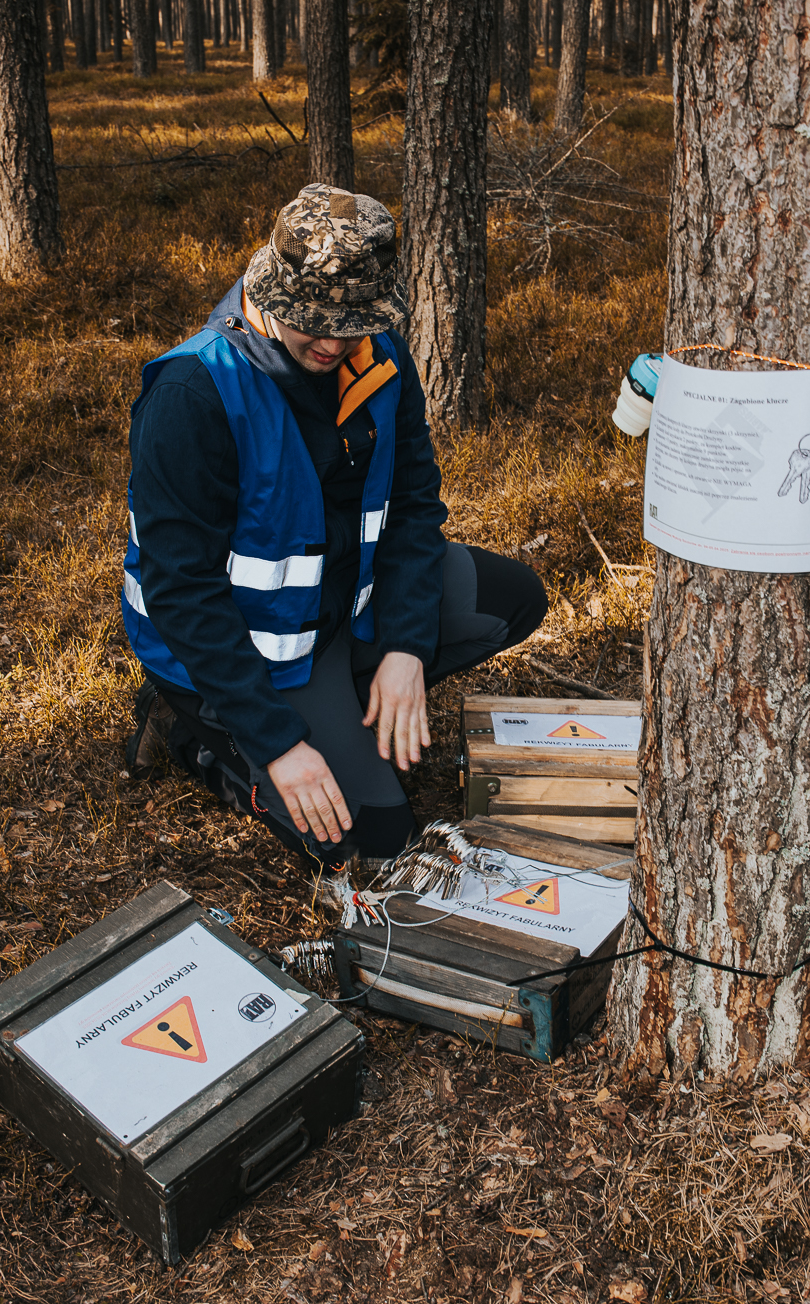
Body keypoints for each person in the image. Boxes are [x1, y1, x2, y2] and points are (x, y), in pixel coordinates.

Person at [120, 184, 547, 866]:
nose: (331, 340)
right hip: (242, 653)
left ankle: (352, 695)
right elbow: (181, 592)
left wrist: (406, 647)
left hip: (347, 609)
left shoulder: (380, 359)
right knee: (368, 842)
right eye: (312, 320)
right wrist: (280, 746)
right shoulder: (192, 393)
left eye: (351, 322)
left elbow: (412, 507)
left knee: (513, 598)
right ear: (272, 293)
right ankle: (200, 731)